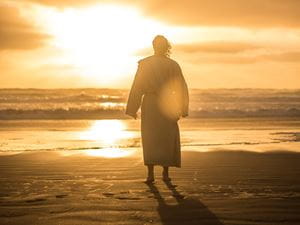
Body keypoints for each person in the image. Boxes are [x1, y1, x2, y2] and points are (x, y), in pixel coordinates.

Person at [126, 35, 189, 183]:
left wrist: (132, 109)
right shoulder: (172, 64)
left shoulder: (145, 64)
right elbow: (181, 87)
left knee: (150, 137)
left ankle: (150, 174)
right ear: (166, 47)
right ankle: (165, 174)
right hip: (168, 102)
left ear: (154, 46)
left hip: (151, 102)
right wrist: (183, 108)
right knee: (166, 137)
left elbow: (137, 87)